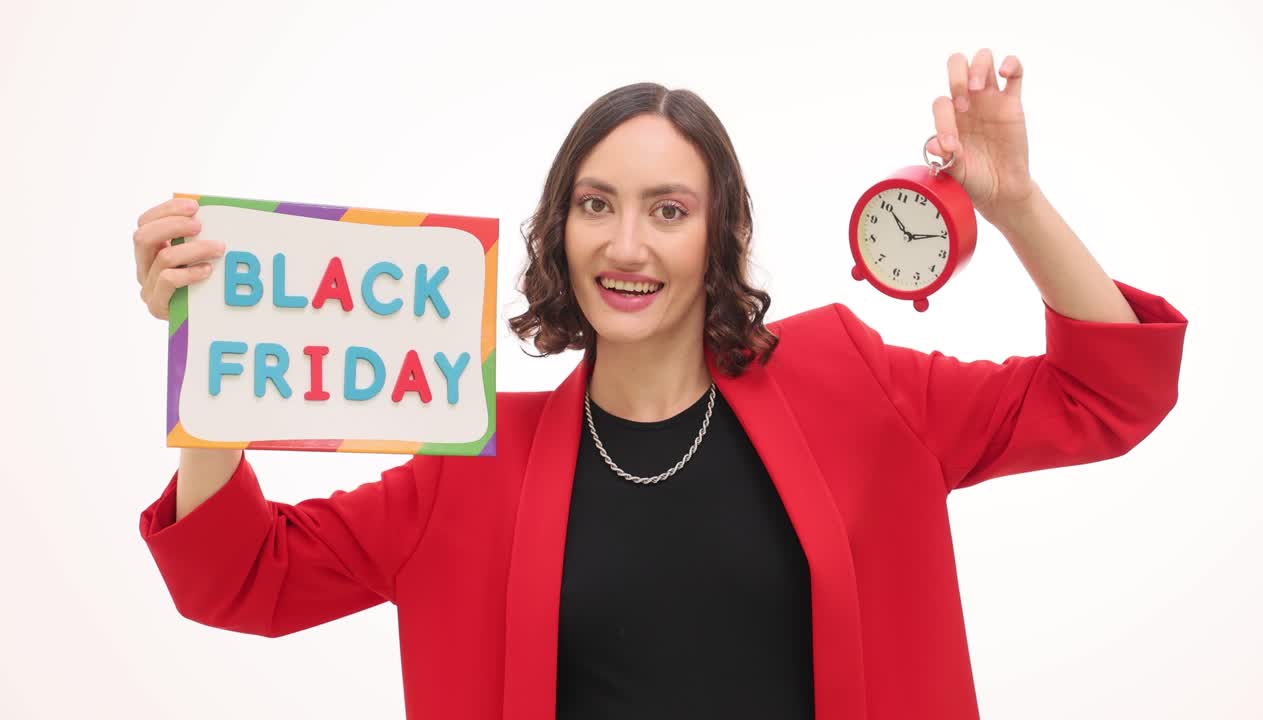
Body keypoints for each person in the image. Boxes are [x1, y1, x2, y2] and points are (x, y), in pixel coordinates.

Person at [135, 50, 1188, 720]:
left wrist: (1013, 203)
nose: (626, 244)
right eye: (596, 205)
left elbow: (1107, 396)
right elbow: (243, 579)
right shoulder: (472, 461)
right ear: (559, 229)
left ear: (720, 234)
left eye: (668, 210)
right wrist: (212, 352)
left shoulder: (851, 384)